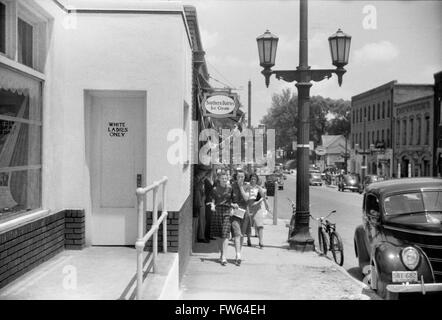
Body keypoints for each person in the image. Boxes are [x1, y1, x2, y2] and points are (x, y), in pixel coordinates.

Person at [209, 171, 234, 266]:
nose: (224, 180)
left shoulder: (230, 189)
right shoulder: (215, 189)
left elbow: (232, 200)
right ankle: (221, 253)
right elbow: (212, 199)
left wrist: (232, 209)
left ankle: (224, 256)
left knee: (225, 233)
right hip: (217, 210)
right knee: (218, 234)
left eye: (225, 178)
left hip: (227, 211)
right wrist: (212, 205)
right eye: (222, 178)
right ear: (219, 179)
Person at [230, 169, 250, 266]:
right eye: (239, 177)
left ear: (245, 177)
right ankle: (238, 256)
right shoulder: (232, 186)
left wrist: (241, 187)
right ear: (235, 177)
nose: (240, 178)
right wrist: (232, 204)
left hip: (244, 212)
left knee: (241, 234)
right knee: (237, 234)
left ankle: (239, 253)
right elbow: (227, 199)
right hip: (235, 213)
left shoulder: (247, 186)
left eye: (242, 177)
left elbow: (246, 198)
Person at [246, 174, 266, 249]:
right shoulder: (247, 187)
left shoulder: (259, 188)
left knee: (260, 225)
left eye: (254, 179)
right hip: (249, 208)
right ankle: (248, 239)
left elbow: (263, 197)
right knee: (248, 225)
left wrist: (266, 206)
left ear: (257, 180)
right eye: (251, 179)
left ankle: (261, 242)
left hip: (258, 208)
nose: (253, 180)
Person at [194, 170, 209, 243]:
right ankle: (201, 237)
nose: (205, 176)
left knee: (203, 220)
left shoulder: (202, 182)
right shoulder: (198, 182)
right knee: (201, 220)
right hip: (200, 203)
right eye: (204, 174)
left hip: (202, 202)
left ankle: (202, 236)